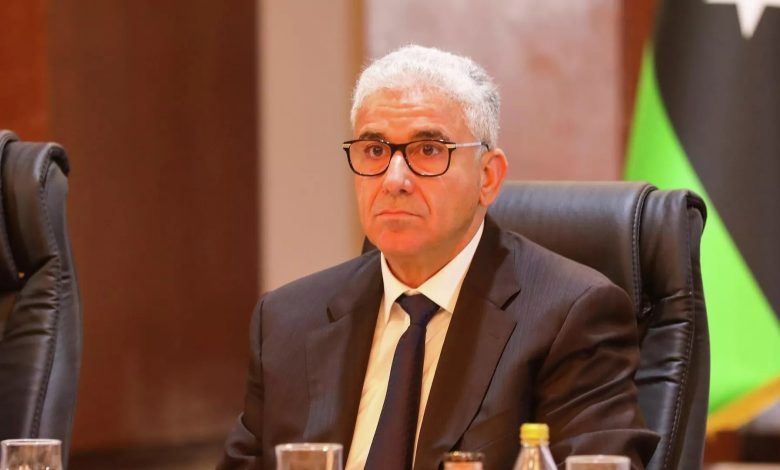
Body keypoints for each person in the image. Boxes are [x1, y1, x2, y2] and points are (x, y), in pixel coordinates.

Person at [218, 45, 658, 470]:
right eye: (375, 151)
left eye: (428, 151)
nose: (394, 179)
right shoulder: (288, 321)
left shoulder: (569, 317)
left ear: (488, 177)